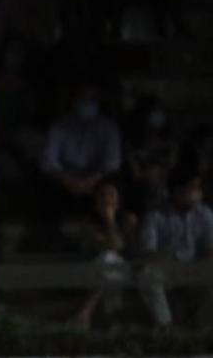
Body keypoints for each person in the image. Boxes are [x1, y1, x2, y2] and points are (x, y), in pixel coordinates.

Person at [137, 171, 213, 327]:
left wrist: (202, 262)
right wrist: (169, 259)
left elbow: (210, 247)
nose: (197, 193)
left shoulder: (205, 213)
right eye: (193, 188)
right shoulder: (155, 215)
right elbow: (148, 252)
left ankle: (202, 331)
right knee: (146, 274)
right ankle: (166, 327)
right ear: (177, 191)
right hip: (167, 268)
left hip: (196, 267)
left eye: (198, 188)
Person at [40, 84, 121, 217]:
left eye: (91, 100)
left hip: (98, 181)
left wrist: (90, 181)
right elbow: (48, 161)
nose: (88, 104)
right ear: (74, 102)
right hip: (64, 181)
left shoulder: (109, 128)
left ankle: (109, 229)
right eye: (83, 99)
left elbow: (112, 163)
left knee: (110, 190)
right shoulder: (59, 126)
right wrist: (69, 182)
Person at [74, 182, 136, 327]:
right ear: (96, 202)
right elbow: (110, 245)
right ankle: (113, 320)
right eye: (102, 196)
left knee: (109, 260)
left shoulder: (128, 219)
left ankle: (86, 310)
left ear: (118, 201)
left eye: (111, 195)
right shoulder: (88, 224)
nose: (107, 199)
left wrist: (111, 220)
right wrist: (109, 221)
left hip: (126, 270)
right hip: (93, 270)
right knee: (107, 258)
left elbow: (119, 246)